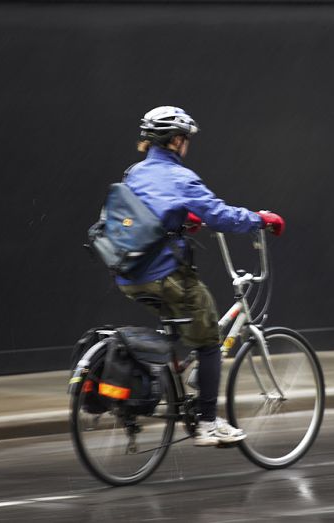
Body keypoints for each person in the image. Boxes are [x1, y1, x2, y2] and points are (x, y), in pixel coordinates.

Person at [116, 106, 285, 444]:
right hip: (164, 274)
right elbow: (221, 216)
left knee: (180, 326)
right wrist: (260, 218)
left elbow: (147, 212)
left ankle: (170, 382)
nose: (187, 144)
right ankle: (207, 423)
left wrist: (182, 219)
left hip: (129, 275)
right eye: (186, 139)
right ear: (176, 140)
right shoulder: (181, 177)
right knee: (208, 337)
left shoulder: (134, 173)